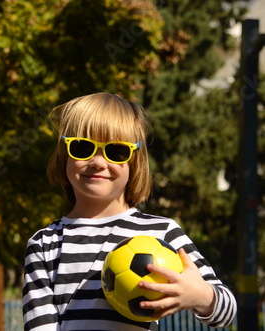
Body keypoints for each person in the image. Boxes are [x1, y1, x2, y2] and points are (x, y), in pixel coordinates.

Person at [22, 93, 237, 330]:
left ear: (135, 161)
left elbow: (225, 313)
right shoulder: (45, 243)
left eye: (116, 151)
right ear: (64, 155)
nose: (97, 162)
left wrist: (201, 296)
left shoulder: (162, 232)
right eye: (82, 147)